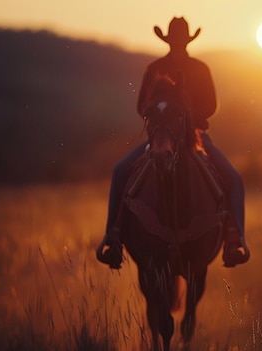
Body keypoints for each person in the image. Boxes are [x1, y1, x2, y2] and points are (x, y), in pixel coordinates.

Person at [97, 17, 249, 269]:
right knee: (120, 170)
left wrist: (188, 119)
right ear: (169, 41)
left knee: (233, 177)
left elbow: (211, 105)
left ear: (185, 41)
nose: (178, 45)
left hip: (196, 136)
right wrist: (161, 121)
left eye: (180, 41)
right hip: (158, 139)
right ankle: (113, 239)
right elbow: (141, 106)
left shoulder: (200, 69)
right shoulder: (154, 69)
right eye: (175, 41)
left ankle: (234, 239)